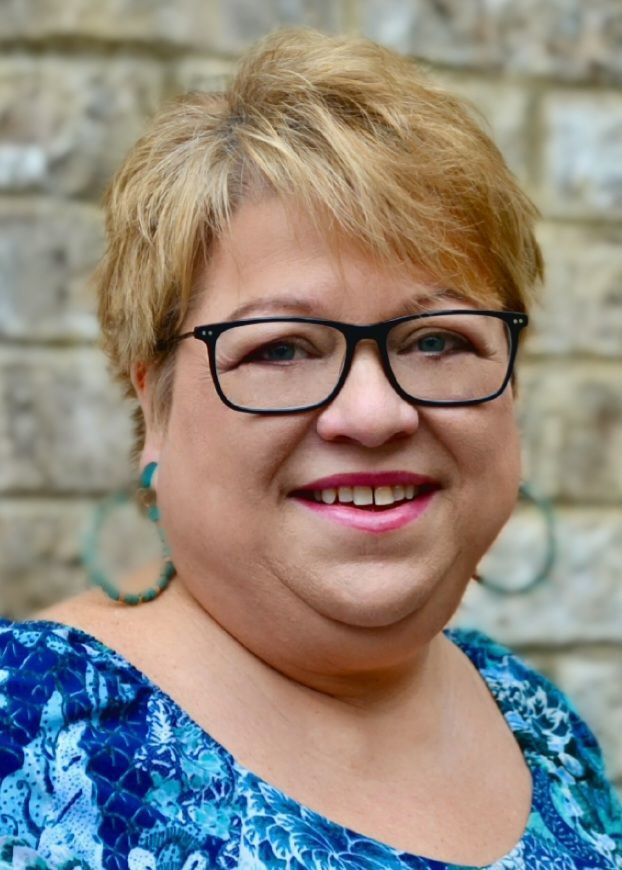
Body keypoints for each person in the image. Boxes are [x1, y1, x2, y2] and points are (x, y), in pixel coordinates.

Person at [0, 26, 620, 870]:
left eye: (436, 340)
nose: (374, 414)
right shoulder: (28, 737)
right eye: (282, 349)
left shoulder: (539, 725)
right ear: (154, 405)